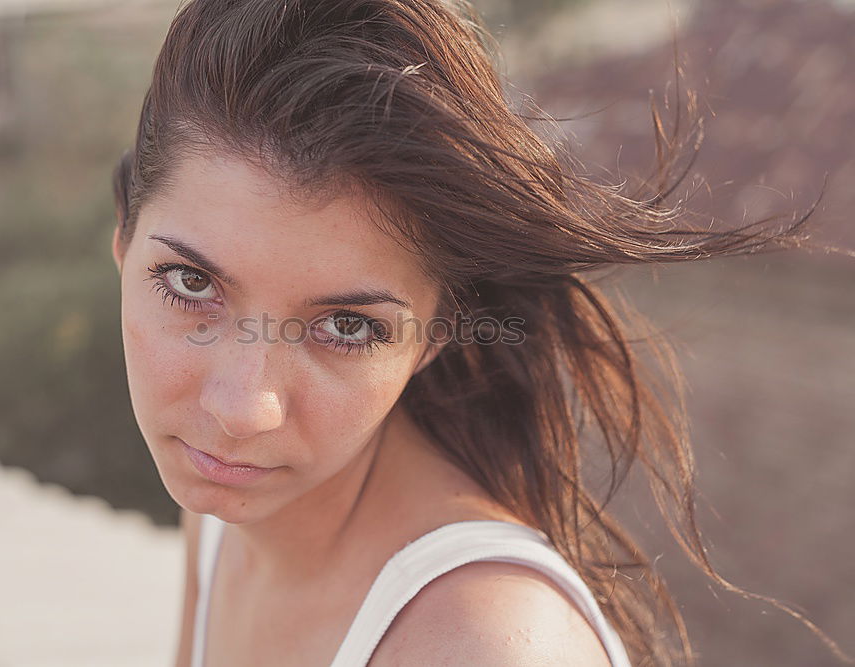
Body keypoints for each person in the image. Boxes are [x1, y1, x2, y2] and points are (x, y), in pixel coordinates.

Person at [108, 1, 847, 665]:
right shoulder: (224, 513)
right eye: (191, 283)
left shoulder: (483, 643)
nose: (242, 409)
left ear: (436, 334)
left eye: (346, 325)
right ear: (123, 240)